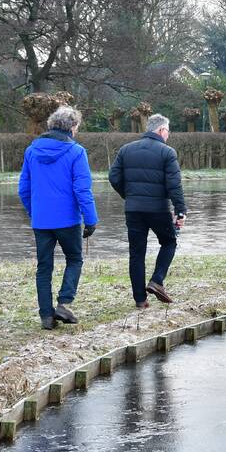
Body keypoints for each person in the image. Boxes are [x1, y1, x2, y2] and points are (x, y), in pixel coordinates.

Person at [18, 105, 99, 330]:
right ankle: (64, 302)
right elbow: (82, 189)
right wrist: (91, 219)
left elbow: (23, 189)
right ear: (71, 127)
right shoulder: (76, 152)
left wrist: (34, 212)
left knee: (44, 267)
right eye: (77, 127)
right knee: (74, 259)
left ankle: (46, 316)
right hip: (68, 220)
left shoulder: (31, 150)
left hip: (41, 220)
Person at [108, 113, 187, 308]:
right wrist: (180, 210)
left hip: (133, 209)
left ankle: (140, 300)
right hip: (158, 209)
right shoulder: (167, 152)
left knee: (136, 253)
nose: (168, 135)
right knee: (169, 242)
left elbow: (113, 177)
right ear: (161, 130)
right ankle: (157, 280)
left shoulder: (126, 150)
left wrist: (129, 195)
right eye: (168, 131)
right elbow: (174, 185)